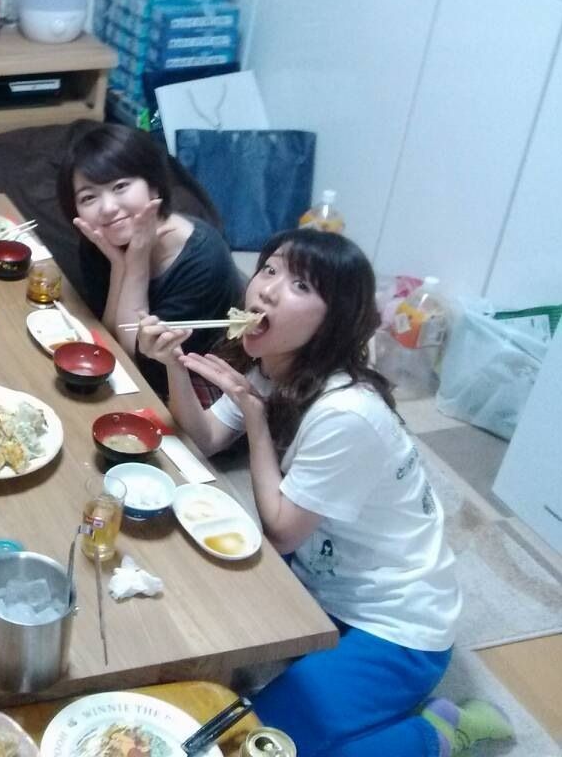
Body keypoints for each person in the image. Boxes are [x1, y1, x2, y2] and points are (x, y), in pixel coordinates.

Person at [135, 229, 511, 757]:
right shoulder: (273, 365)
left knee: (255, 744)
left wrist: (257, 423)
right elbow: (208, 437)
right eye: (269, 269)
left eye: (300, 285)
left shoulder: (346, 413)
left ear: (333, 320)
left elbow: (282, 533)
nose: (267, 289)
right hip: (322, 583)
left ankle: (442, 731)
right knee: (192, 614)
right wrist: (174, 366)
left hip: (399, 625)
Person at [58, 122, 238, 399]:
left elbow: (136, 360)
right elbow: (109, 342)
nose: (108, 208)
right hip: (128, 379)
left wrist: (137, 262)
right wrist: (119, 267)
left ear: (153, 186)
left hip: (189, 392)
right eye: (89, 197)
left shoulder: (203, 261)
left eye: (120, 186)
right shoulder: (102, 239)